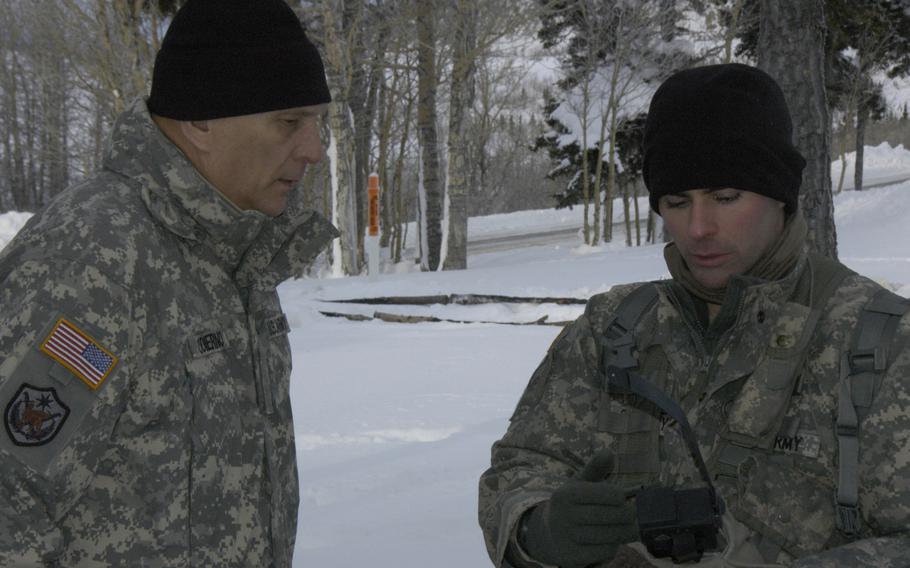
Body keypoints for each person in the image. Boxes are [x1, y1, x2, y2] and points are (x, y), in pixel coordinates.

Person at [478, 63, 910, 568]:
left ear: (781, 195)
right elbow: (520, 469)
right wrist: (538, 528)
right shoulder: (614, 328)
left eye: (725, 197)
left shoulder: (882, 343)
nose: (699, 227)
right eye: (677, 201)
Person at [0, 0, 338, 566]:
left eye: (316, 123)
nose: (314, 149)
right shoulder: (97, 256)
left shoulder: (232, 254)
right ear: (202, 121)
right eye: (289, 122)